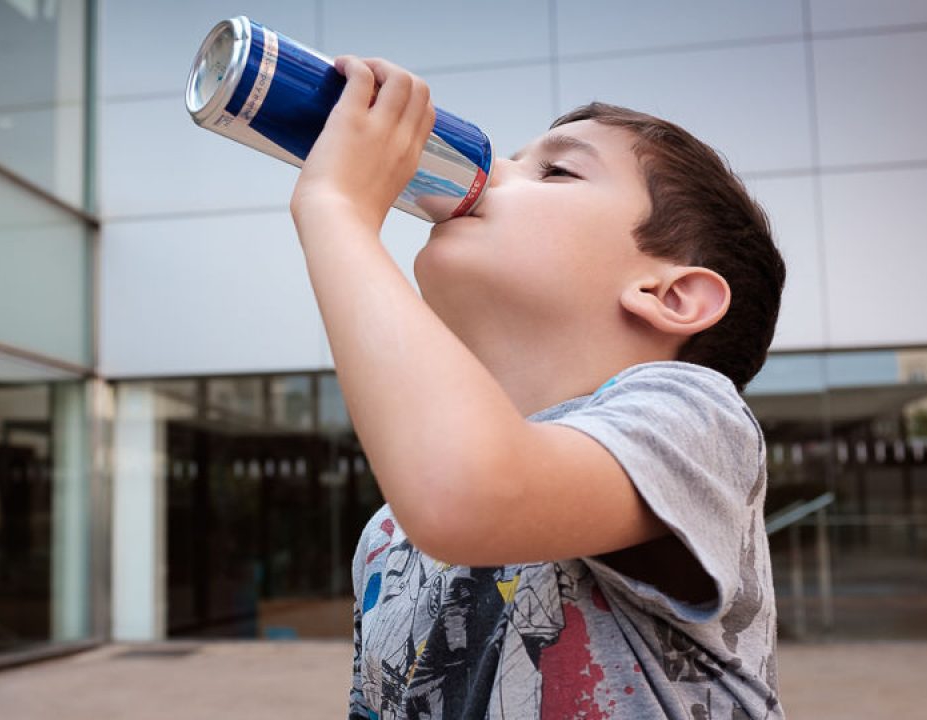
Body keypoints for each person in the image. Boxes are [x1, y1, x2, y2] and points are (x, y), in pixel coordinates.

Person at [289, 55, 787, 719]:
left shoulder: (693, 418)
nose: (492, 171)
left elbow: (472, 493)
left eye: (555, 169)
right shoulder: (391, 533)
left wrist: (338, 209)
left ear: (670, 295)